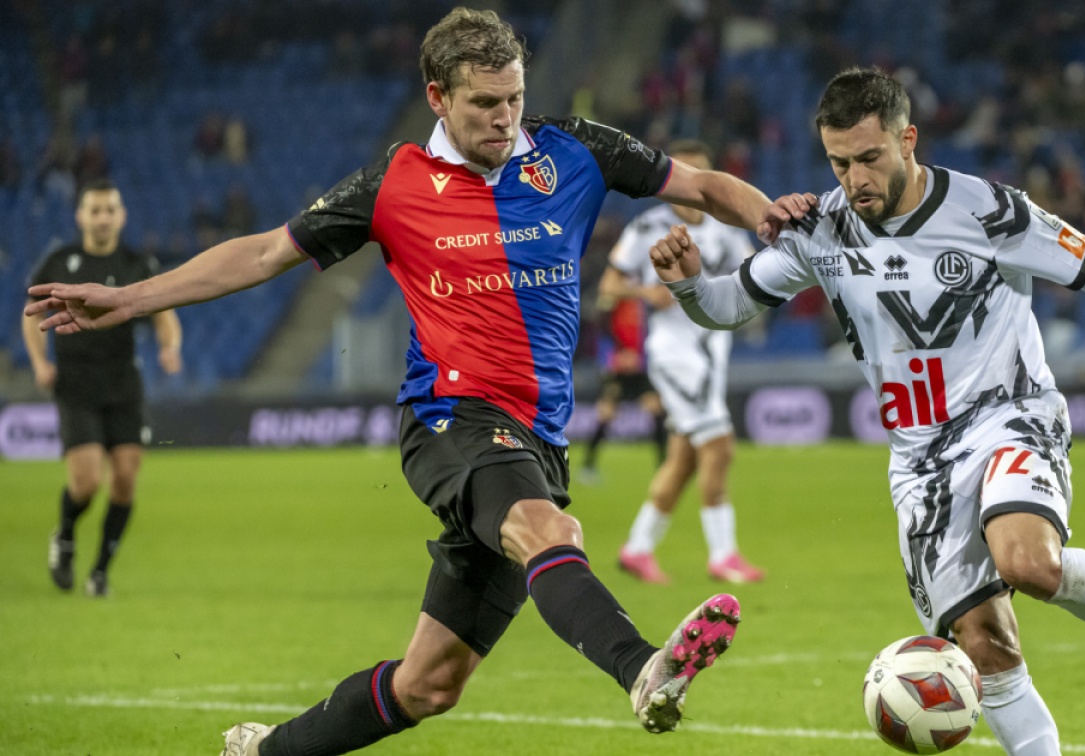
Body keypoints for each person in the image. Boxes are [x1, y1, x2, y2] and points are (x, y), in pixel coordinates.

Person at [27, 9, 812, 755]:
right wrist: (131, 299)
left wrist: (767, 217)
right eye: (484, 104)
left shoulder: (575, 150)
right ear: (437, 96)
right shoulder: (394, 184)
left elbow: (702, 186)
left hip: (538, 436)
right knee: (548, 532)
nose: (505, 118)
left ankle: (267, 749)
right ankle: (643, 667)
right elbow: (264, 253)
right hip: (450, 419)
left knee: (429, 684)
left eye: (514, 99)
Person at [648, 68, 1085, 753]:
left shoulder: (989, 211)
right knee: (986, 644)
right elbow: (730, 305)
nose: (855, 180)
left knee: (1028, 563)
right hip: (920, 462)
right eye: (839, 163)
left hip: (1009, 414)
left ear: (907, 140)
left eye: (869, 158)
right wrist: (689, 285)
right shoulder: (821, 227)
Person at [602, 140, 765, 585]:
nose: (695, 186)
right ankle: (723, 556)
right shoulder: (648, 227)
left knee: (684, 459)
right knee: (719, 445)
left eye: (703, 175)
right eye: (685, 175)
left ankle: (637, 550)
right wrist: (645, 292)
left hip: (712, 353)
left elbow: (755, 273)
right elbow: (609, 285)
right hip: (676, 355)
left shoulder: (724, 228)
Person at [22, 179, 183, 599]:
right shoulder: (60, 261)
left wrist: (170, 347)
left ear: (121, 216)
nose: (102, 218)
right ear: (81, 216)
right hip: (76, 383)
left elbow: (163, 312)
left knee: (125, 478)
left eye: (110, 209)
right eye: (95, 210)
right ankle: (65, 533)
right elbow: (30, 313)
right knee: (87, 482)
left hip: (123, 382)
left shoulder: (135, 263)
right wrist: (40, 362)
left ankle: (99, 573)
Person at [577, 295, 667, 484]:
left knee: (656, 409)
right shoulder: (613, 298)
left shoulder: (640, 300)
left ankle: (664, 466)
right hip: (617, 369)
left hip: (639, 368)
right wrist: (615, 356)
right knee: (606, 413)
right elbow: (600, 326)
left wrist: (644, 358)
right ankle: (588, 466)